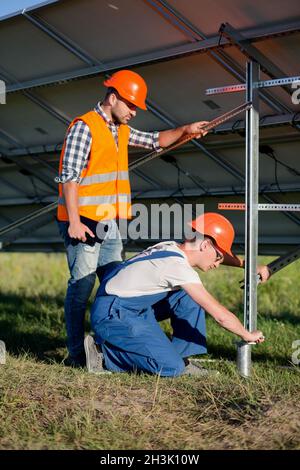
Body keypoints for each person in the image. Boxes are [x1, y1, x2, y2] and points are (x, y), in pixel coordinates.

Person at [56, 69, 210, 368]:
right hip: (82, 221)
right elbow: (68, 178)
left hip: (107, 222)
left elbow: (156, 140)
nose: (134, 112)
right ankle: (76, 354)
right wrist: (74, 221)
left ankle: (103, 346)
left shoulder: (120, 130)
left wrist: (186, 130)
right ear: (112, 98)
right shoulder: (84, 127)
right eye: (131, 105)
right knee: (82, 286)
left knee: (118, 283)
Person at [84, 213, 268, 377]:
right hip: (112, 314)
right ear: (205, 245)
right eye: (218, 257)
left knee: (185, 297)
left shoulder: (172, 247)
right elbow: (219, 315)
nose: (218, 264)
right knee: (170, 368)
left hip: (128, 305)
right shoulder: (177, 267)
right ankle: (103, 353)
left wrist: (248, 266)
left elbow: (219, 254)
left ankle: (182, 359)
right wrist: (246, 334)